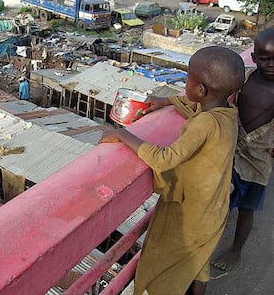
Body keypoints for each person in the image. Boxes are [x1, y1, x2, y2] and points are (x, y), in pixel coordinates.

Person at [99, 46, 245, 295]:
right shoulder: (227, 113)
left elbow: (166, 159)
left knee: (166, 273)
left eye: (187, 78)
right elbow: (195, 108)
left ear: (200, 90)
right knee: (198, 265)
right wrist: (165, 101)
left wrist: (124, 135)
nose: (184, 84)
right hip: (215, 209)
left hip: (193, 216)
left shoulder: (205, 123)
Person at [211, 28, 274, 271]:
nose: (270, 64)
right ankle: (207, 245)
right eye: (264, 58)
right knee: (221, 201)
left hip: (258, 158)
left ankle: (236, 250)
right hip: (231, 150)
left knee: (247, 209)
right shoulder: (245, 78)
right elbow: (216, 93)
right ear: (254, 58)